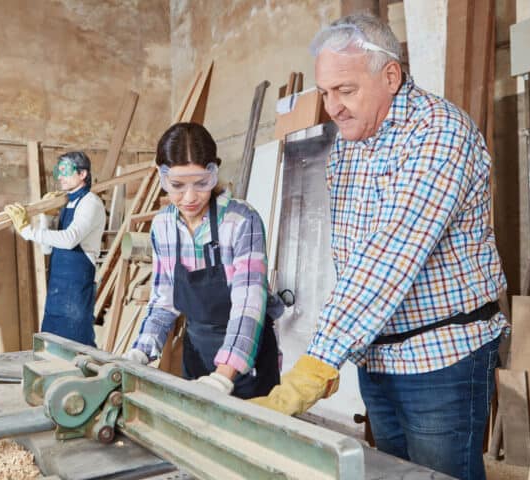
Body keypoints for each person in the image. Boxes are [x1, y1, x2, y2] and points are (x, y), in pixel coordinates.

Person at [251, 13, 507, 480]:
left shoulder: (438, 134)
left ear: (390, 76)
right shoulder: (352, 139)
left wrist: (316, 366)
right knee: (394, 473)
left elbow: (387, 258)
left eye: (345, 90)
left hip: (440, 358)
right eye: (326, 92)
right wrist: (340, 348)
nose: (333, 107)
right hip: (377, 354)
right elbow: (352, 256)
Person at [123, 122, 280, 399]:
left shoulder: (241, 220)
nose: (190, 197)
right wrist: (141, 352)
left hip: (246, 358)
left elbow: (249, 304)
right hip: (196, 354)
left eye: (201, 183)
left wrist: (224, 376)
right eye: (177, 185)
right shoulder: (163, 226)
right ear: (162, 178)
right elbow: (164, 300)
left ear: (213, 173)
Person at [4, 151, 106, 346]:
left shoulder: (90, 203)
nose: (60, 177)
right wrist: (46, 217)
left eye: (66, 171)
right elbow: (47, 249)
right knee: (51, 346)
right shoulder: (68, 203)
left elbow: (69, 240)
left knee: (77, 348)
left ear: (83, 174)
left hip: (76, 290)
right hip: (57, 291)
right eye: (58, 171)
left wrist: (26, 230)